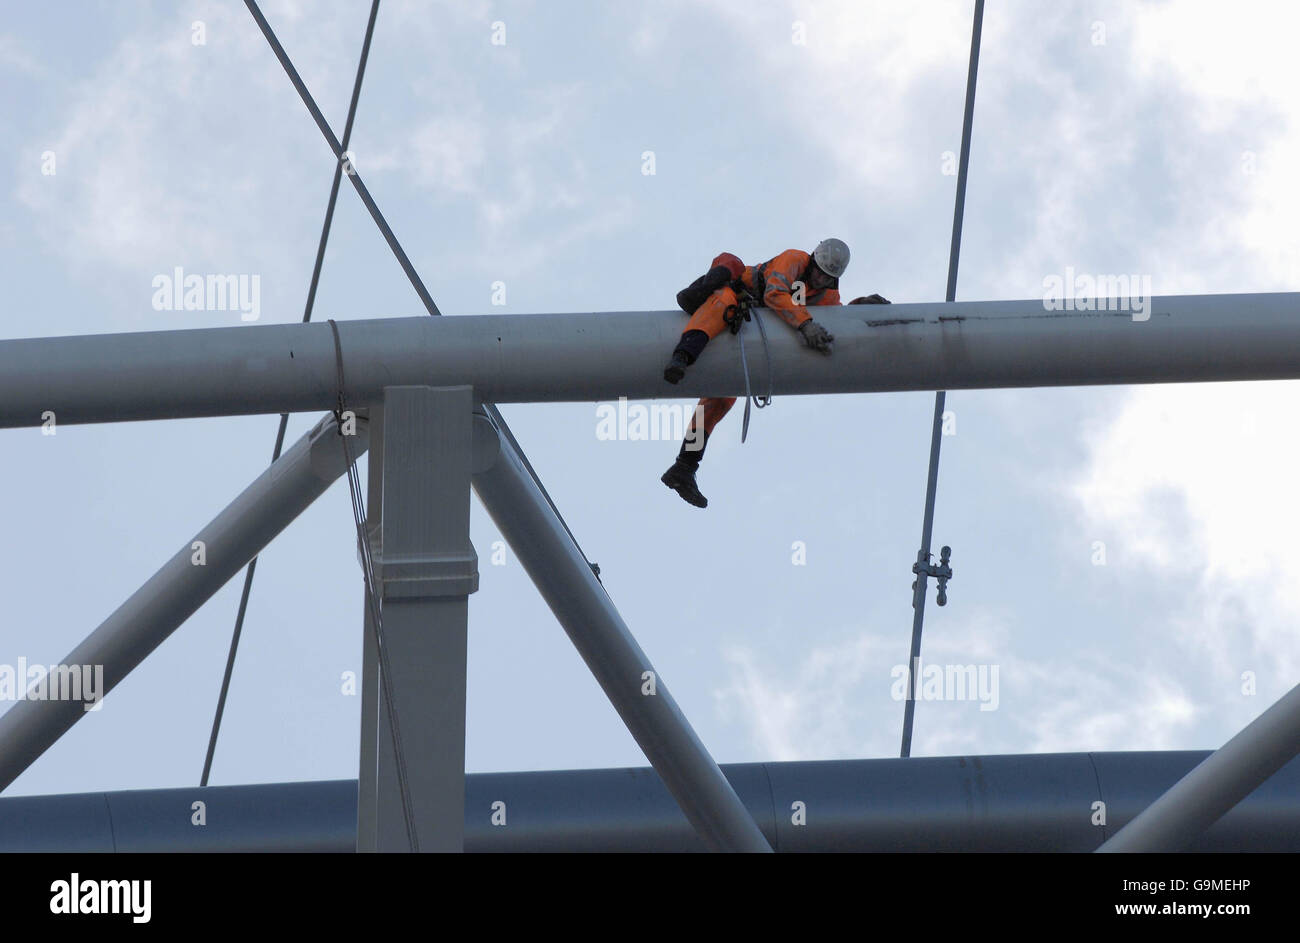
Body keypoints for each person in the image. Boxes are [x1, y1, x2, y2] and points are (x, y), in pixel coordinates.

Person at [660, 239, 854, 508]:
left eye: (827, 276)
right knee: (722, 301)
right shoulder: (794, 260)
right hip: (736, 295)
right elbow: (774, 293)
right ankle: (683, 355)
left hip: (749, 326)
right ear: (813, 260)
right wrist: (805, 325)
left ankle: (684, 466)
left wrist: (863, 306)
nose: (821, 278)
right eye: (819, 271)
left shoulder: (827, 295)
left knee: (719, 402)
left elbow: (836, 317)